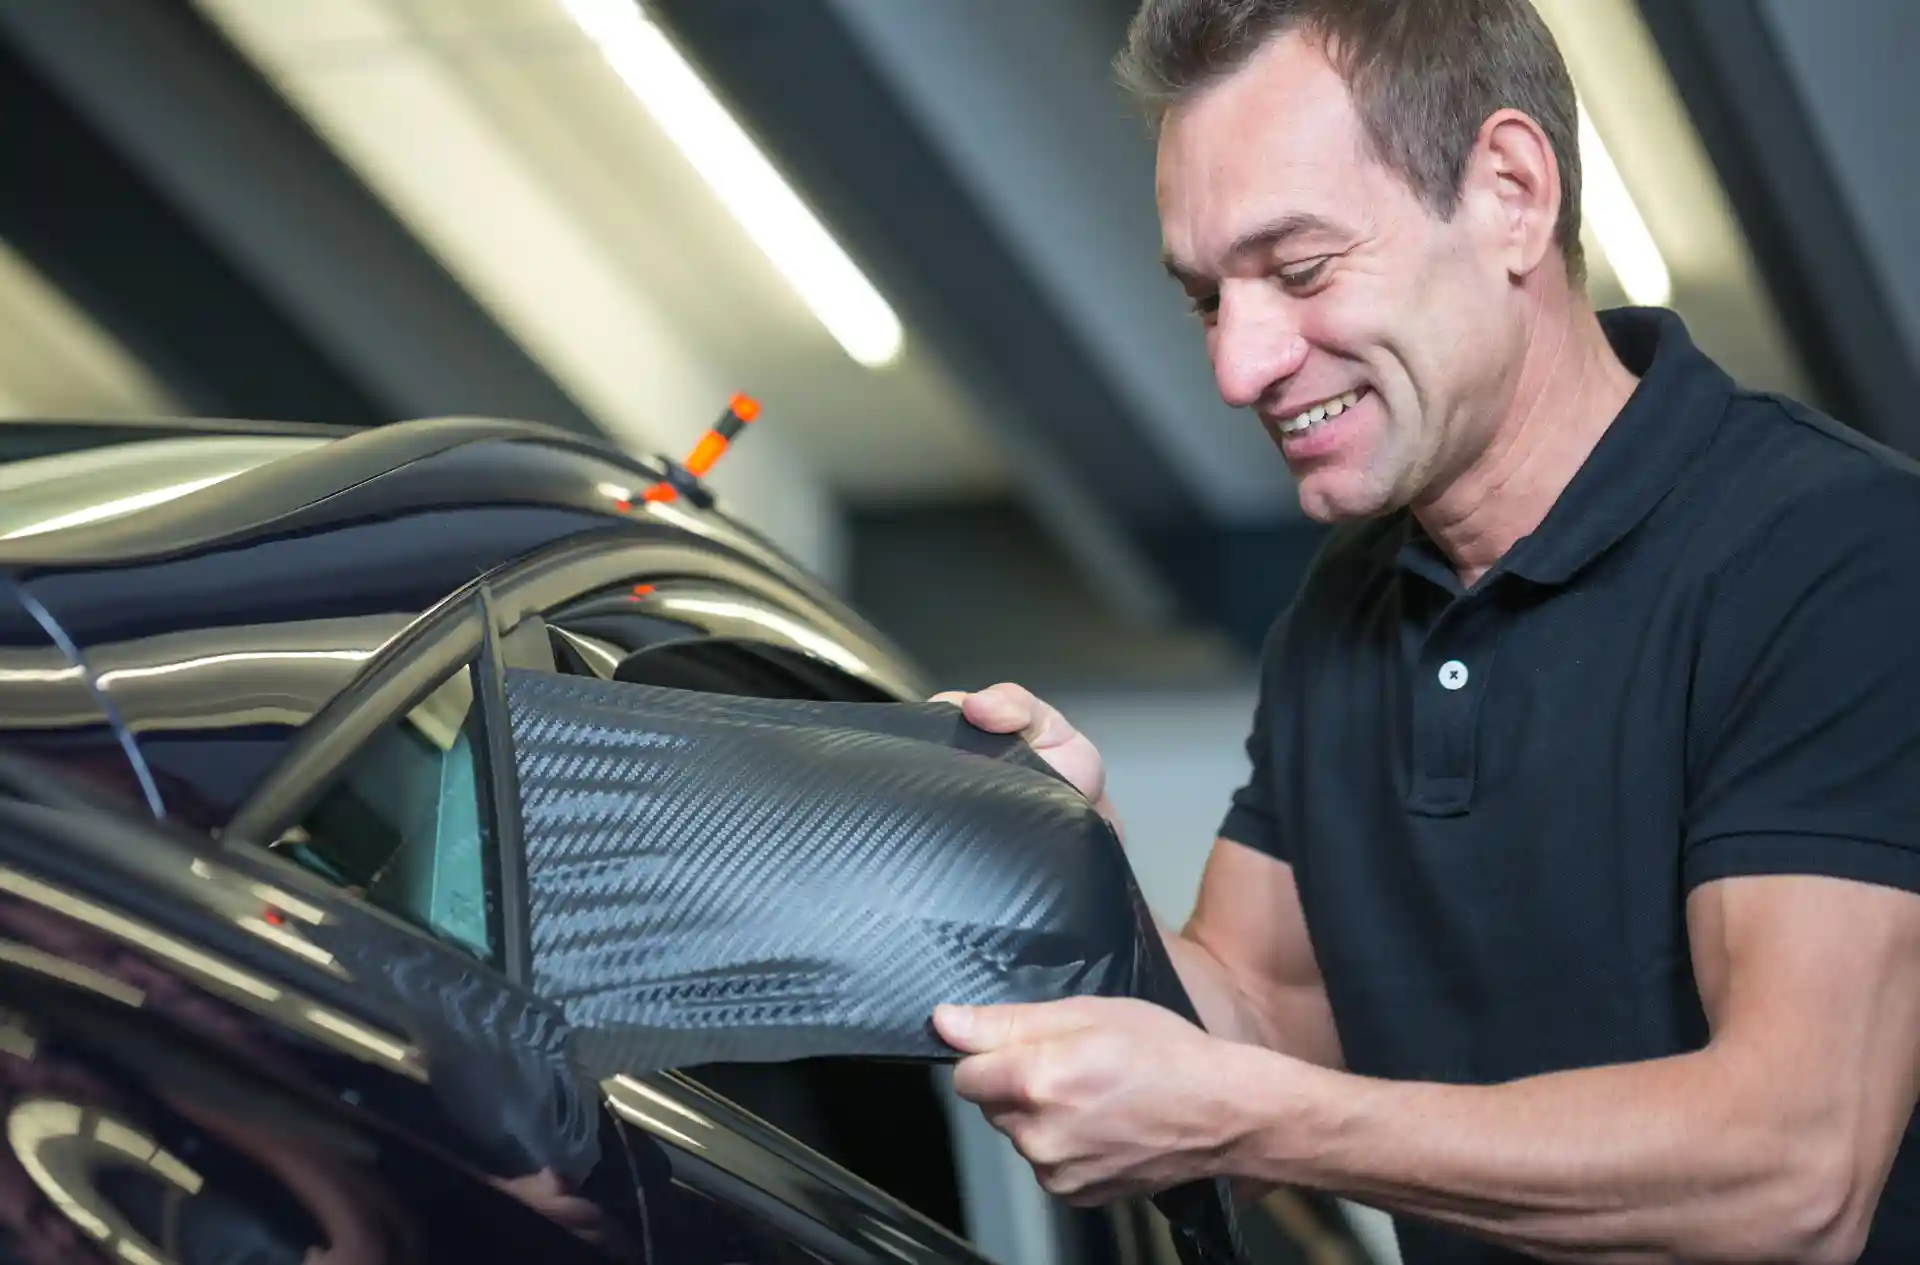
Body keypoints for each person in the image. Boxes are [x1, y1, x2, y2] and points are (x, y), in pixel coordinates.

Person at [928, 1, 1920, 1261]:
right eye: (1205, 299)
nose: (1240, 365)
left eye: (1298, 270)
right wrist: (1077, 866)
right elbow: (1257, 1009)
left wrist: (1256, 1119)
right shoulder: (1339, 615)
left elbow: (1792, 1166)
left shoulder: (1836, 551)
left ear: (1511, 191)